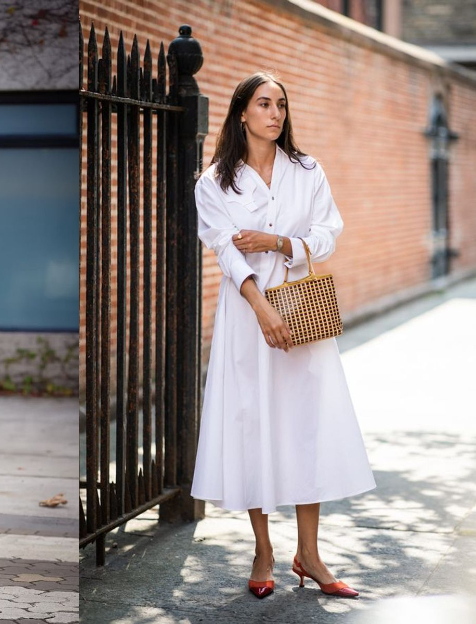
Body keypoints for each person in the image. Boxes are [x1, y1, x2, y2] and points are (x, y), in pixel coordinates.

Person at [190, 71, 375, 600]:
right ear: (242, 112)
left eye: (282, 105)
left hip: (302, 311)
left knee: (305, 425)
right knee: (254, 423)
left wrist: (276, 241)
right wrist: (260, 308)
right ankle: (264, 549)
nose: (275, 113)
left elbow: (327, 234)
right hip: (249, 317)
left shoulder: (308, 171)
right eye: (264, 104)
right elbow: (226, 251)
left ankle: (310, 553)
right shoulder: (214, 183)